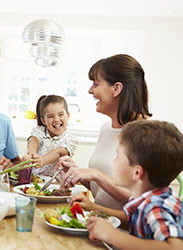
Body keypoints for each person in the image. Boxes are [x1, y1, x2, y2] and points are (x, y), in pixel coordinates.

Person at [58, 54, 152, 210]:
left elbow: (142, 202)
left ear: (116, 88)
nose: (90, 90)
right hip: (98, 223)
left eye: (95, 84)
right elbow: (102, 191)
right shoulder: (106, 128)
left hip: (120, 230)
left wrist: (96, 174)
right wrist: (78, 172)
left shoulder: (146, 135)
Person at [86, 120, 183, 250]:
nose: (114, 161)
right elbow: (131, 219)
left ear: (137, 172)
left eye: (118, 156)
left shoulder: (155, 206)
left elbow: (175, 247)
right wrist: (96, 213)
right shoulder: (145, 198)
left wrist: (113, 236)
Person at [21, 95, 78, 179]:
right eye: (51, 116)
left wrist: (42, 160)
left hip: (56, 183)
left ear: (68, 116)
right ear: (43, 120)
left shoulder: (70, 139)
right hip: (33, 180)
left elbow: (58, 152)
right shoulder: (40, 130)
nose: (56, 119)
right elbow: (33, 140)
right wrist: (31, 155)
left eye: (61, 114)